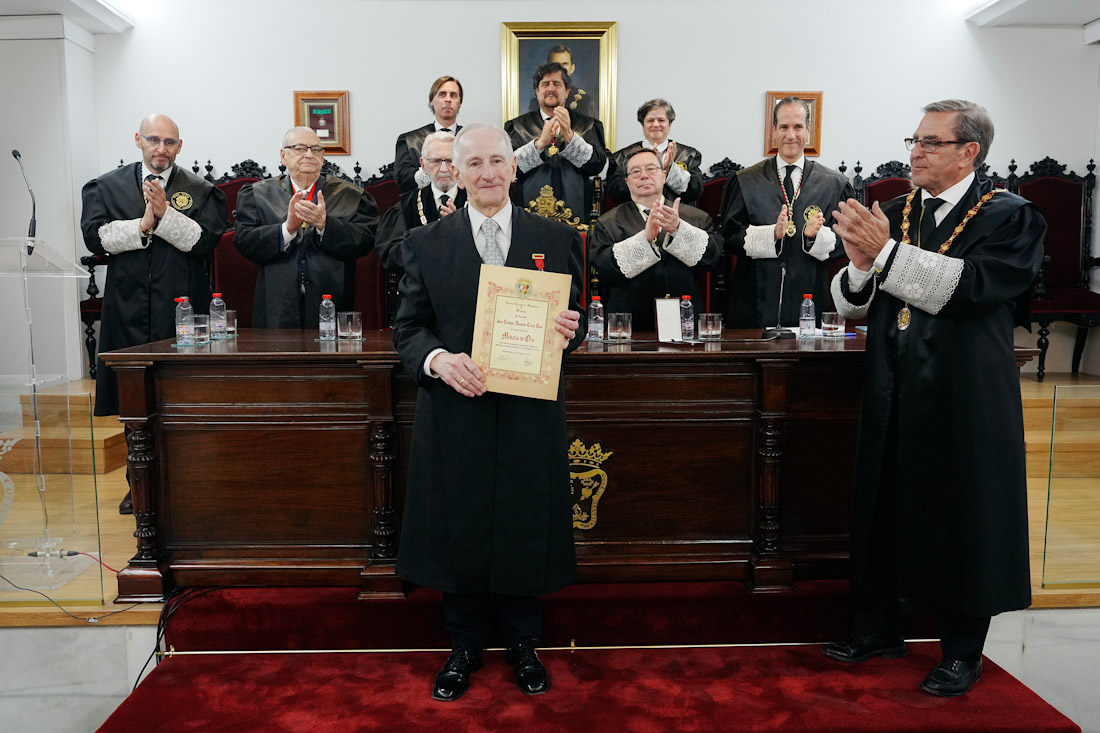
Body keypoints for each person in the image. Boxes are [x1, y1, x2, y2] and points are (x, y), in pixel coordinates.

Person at [822, 100, 1046, 697]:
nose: (915, 152)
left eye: (930, 142)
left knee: (965, 510)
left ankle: (962, 651)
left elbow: (970, 288)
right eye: (914, 140)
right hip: (894, 379)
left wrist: (885, 254)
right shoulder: (897, 211)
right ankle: (878, 628)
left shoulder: (1011, 216)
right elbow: (852, 304)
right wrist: (859, 266)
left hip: (965, 388)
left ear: (969, 152)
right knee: (883, 500)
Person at [392, 123, 585, 702]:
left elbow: (574, 325)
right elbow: (408, 329)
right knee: (463, 522)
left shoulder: (557, 238)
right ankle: (464, 645)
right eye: (473, 163)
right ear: (454, 171)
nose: (487, 173)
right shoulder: (425, 243)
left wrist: (569, 330)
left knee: (524, 519)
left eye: (497, 161)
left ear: (514, 166)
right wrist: (438, 360)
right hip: (458, 409)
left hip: (529, 413)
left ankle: (524, 643)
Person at [81, 114, 226, 511]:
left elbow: (204, 242)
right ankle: (139, 484)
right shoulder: (105, 186)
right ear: (138, 140)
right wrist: (142, 224)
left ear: (179, 146)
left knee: (180, 397)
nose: (161, 148)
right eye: (153, 139)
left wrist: (165, 217)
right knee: (133, 401)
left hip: (180, 309)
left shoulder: (201, 191)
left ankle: (182, 482)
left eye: (169, 142)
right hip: (126, 307)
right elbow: (96, 237)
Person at [719, 96, 855, 328]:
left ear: (808, 130)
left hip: (810, 292)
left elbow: (847, 240)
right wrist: (770, 236)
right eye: (784, 127)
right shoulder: (745, 181)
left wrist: (814, 238)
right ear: (774, 130)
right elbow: (730, 235)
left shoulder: (834, 184)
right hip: (754, 296)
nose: (791, 135)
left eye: (798, 127)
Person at [234, 126, 379, 329]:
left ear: (322, 156)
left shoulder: (351, 195)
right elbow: (244, 240)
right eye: (300, 148)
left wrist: (325, 225)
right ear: (283, 156)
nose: (309, 155)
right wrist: (287, 229)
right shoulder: (258, 194)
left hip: (333, 300)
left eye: (316, 149)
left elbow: (366, 240)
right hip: (276, 303)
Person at [589, 147, 722, 331]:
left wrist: (678, 230)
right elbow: (604, 269)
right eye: (636, 172)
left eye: (651, 169)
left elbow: (711, 259)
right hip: (627, 326)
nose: (644, 176)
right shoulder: (608, 223)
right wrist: (645, 239)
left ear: (664, 175)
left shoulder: (696, 218)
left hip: (684, 323)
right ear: (627, 182)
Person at [506, 62, 607, 226]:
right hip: (528, 216)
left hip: (576, 217)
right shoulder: (517, 127)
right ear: (537, 91)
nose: (551, 89)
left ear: (567, 92)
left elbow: (596, 166)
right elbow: (509, 168)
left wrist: (570, 137)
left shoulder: (588, 125)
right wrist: (539, 144)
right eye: (545, 84)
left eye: (557, 84)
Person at [376, 131, 467, 273]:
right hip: (420, 283)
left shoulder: (478, 202)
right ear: (423, 166)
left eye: (450, 161)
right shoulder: (405, 207)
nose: (444, 169)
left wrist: (462, 229)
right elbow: (392, 256)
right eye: (436, 161)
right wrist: (432, 238)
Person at [606, 99, 703, 207]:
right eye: (650, 120)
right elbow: (616, 194)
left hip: (678, 213)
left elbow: (694, 192)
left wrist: (670, 169)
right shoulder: (621, 157)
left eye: (661, 120)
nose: (656, 124)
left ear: (670, 124)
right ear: (643, 124)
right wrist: (648, 170)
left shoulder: (688, 155)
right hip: (634, 215)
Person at [393, 76, 463, 193]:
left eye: (453, 95)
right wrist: (430, 172)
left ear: (459, 102)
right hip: (421, 201)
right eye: (442, 94)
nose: (448, 99)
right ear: (431, 101)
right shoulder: (409, 140)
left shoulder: (472, 139)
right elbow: (402, 178)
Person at [526, 45, 598, 118]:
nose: (561, 69)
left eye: (565, 64)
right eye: (555, 65)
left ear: (572, 68)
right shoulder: (535, 103)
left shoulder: (586, 102)